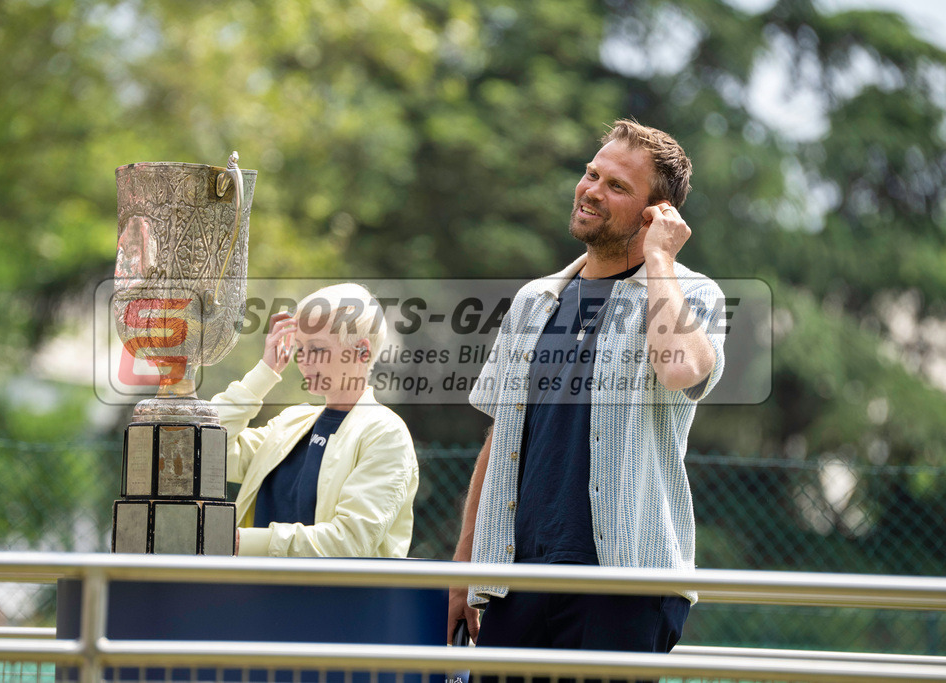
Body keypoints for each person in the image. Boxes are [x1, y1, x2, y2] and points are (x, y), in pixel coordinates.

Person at [447, 120, 727, 654]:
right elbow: (500, 439)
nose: (592, 190)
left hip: (625, 586)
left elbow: (681, 370)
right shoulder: (534, 300)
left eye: (617, 186)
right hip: (515, 583)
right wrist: (465, 565)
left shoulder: (694, 293)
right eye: (592, 174)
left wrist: (660, 258)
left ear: (656, 214)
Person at [211, 283, 419, 557]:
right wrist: (265, 372)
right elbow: (209, 450)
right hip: (256, 597)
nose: (304, 361)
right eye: (299, 348)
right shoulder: (292, 421)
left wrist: (240, 542)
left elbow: (349, 543)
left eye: (317, 349)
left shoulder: (385, 433)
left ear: (362, 351)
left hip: (333, 600)